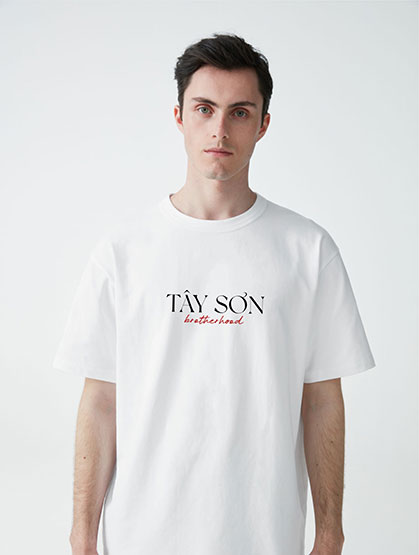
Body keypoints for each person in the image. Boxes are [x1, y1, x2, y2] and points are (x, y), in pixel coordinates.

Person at [53, 32, 376, 555]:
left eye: (239, 112)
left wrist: (330, 533)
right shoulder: (123, 252)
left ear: (263, 124)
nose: (219, 129)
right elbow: (100, 403)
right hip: (139, 537)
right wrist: (81, 536)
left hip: (265, 537)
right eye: (204, 109)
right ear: (179, 117)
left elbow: (321, 401)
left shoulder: (309, 250)